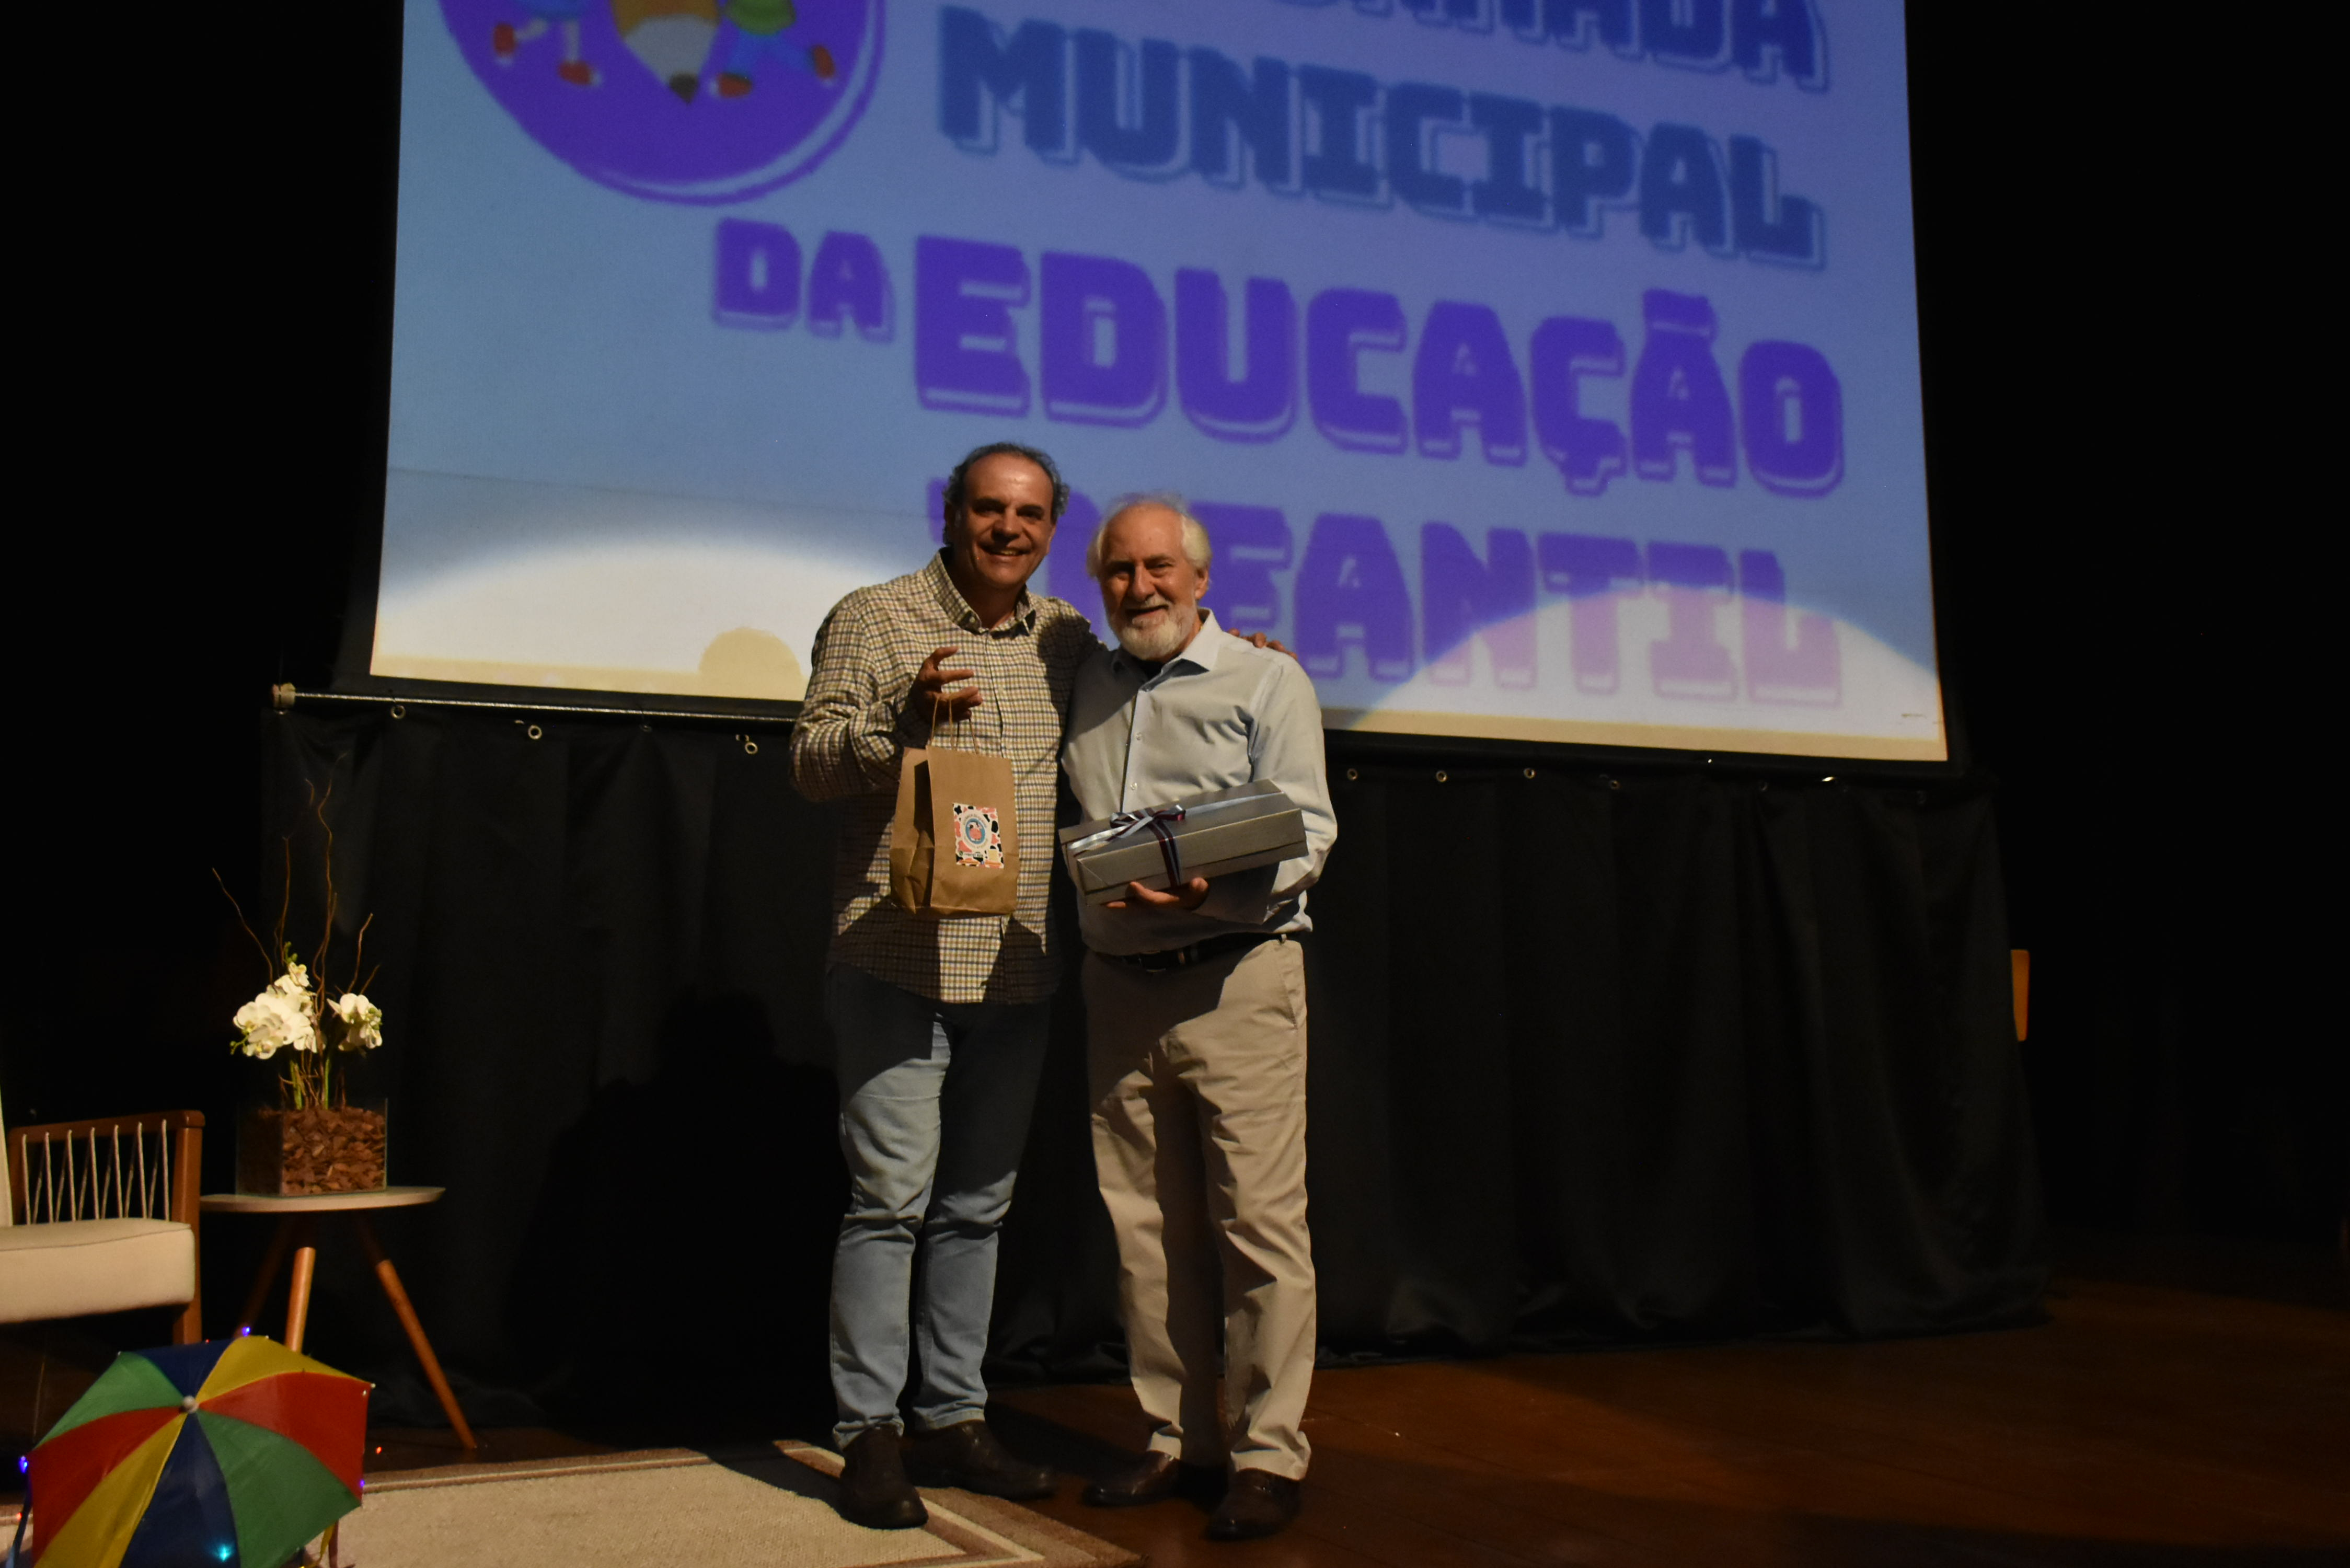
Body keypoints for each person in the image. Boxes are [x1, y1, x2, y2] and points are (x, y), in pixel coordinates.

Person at [788, 443, 1094, 1529]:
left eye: (1030, 515)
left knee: (976, 1212)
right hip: (895, 961)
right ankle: (869, 1434)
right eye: (989, 509)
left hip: (1017, 965)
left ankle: (954, 1419)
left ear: (1051, 529)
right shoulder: (876, 618)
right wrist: (900, 726)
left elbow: (1146, 713)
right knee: (889, 1206)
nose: (1009, 529)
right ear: (952, 512)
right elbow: (810, 762)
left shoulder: (1067, 638)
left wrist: (1246, 662)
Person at [1060, 496, 1337, 1541]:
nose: (1141, 588)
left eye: (1160, 568)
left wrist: (1213, 888)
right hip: (1118, 985)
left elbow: (1310, 828)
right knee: (1144, 1228)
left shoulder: (1266, 678)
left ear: (1201, 578)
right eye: (1120, 571)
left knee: (1258, 1225)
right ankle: (1177, 1438)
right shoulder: (1083, 678)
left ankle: (1266, 1456)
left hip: (1239, 977)